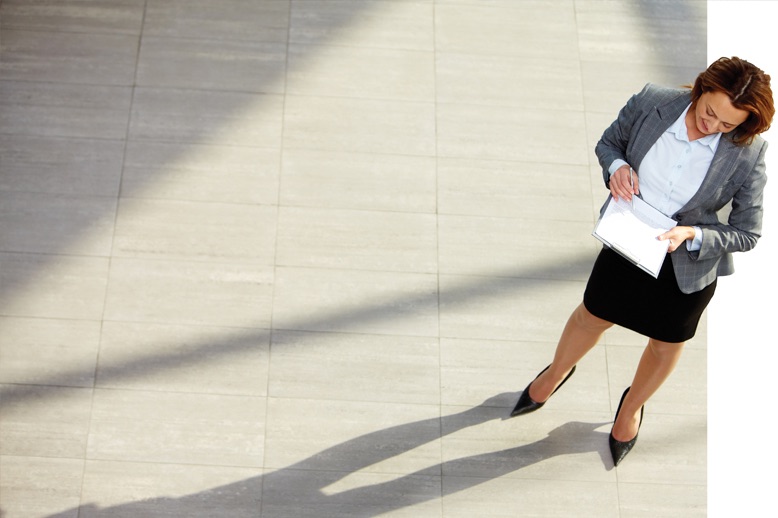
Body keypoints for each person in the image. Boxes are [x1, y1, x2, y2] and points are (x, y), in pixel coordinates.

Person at [508, 56, 775, 466]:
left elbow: (747, 233)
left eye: (727, 125)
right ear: (701, 88)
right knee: (592, 314)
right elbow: (609, 143)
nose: (713, 127)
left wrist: (693, 234)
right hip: (628, 239)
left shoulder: (749, 152)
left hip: (685, 265)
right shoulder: (654, 101)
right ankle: (555, 372)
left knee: (666, 346)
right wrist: (616, 168)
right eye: (709, 113)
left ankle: (630, 408)